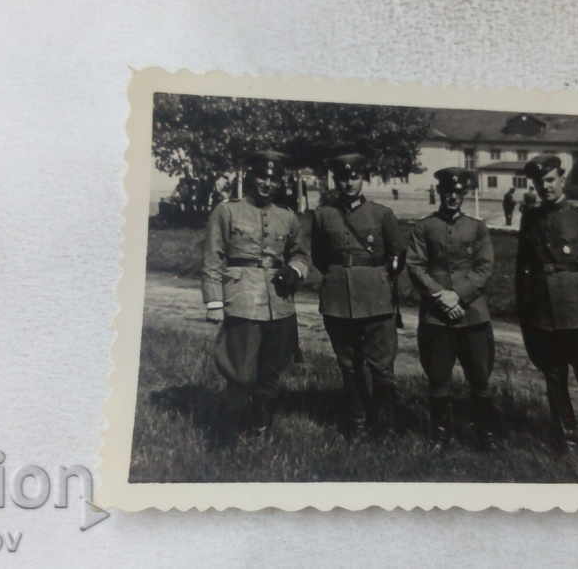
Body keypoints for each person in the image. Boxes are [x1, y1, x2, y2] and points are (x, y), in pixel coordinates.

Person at [201, 150, 309, 439]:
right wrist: (214, 302)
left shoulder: (287, 217)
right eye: (262, 176)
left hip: (279, 303)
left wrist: (296, 270)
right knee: (241, 372)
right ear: (251, 177)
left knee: (272, 371)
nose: (267, 184)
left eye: (273, 179)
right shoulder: (227, 211)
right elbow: (213, 257)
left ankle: (261, 428)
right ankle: (226, 431)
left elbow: (300, 252)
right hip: (242, 300)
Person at [515, 155, 578, 451]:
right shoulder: (530, 219)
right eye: (538, 182)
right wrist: (525, 312)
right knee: (554, 378)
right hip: (544, 313)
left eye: (549, 180)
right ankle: (566, 440)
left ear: (562, 180)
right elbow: (523, 270)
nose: (544, 187)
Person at [311, 153, 405, 437]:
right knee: (349, 365)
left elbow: (398, 252)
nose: (348, 183)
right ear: (335, 180)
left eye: (354, 177)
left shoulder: (382, 214)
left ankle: (385, 426)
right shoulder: (323, 215)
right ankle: (357, 423)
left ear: (363, 178)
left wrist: (383, 279)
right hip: (339, 299)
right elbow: (319, 256)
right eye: (343, 177)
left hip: (376, 297)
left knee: (382, 367)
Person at [407, 167, 500, 450]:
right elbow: (415, 265)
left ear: (465, 194)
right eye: (447, 192)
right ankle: (440, 437)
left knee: (480, 378)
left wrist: (457, 295)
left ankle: (485, 435)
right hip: (436, 317)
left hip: (473, 315)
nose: (452, 197)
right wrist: (440, 295)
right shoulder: (424, 227)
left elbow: (485, 267)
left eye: (458, 193)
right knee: (438, 379)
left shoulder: (477, 227)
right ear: (439, 192)